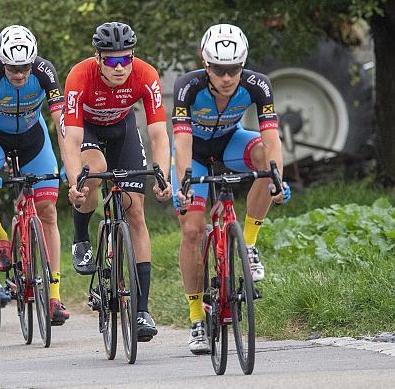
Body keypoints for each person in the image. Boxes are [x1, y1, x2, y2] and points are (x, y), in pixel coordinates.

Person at [171, 23, 290, 354]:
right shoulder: (187, 86)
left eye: (234, 69)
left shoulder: (257, 85)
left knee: (267, 161)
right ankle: (196, 318)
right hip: (192, 154)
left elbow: (271, 138)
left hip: (229, 145)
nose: (227, 77)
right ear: (205, 64)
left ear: (243, 64)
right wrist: (184, 182)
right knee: (192, 231)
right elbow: (181, 142)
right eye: (219, 70)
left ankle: (248, 244)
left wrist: (277, 177)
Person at [62, 22, 173, 342]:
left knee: (135, 211)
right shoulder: (80, 76)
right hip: (87, 128)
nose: (121, 67)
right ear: (98, 59)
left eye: (126, 59)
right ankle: (81, 236)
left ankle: (142, 310)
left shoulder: (145, 74)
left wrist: (162, 174)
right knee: (93, 172)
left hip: (122, 126)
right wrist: (74, 183)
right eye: (112, 61)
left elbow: (157, 134)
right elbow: (71, 140)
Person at [0, 24, 70, 325]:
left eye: (25, 67)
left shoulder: (45, 71)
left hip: (32, 141)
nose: (20, 74)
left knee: (48, 211)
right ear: (3, 62)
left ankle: (53, 297)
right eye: (13, 68)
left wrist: (70, 163)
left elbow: (61, 121)